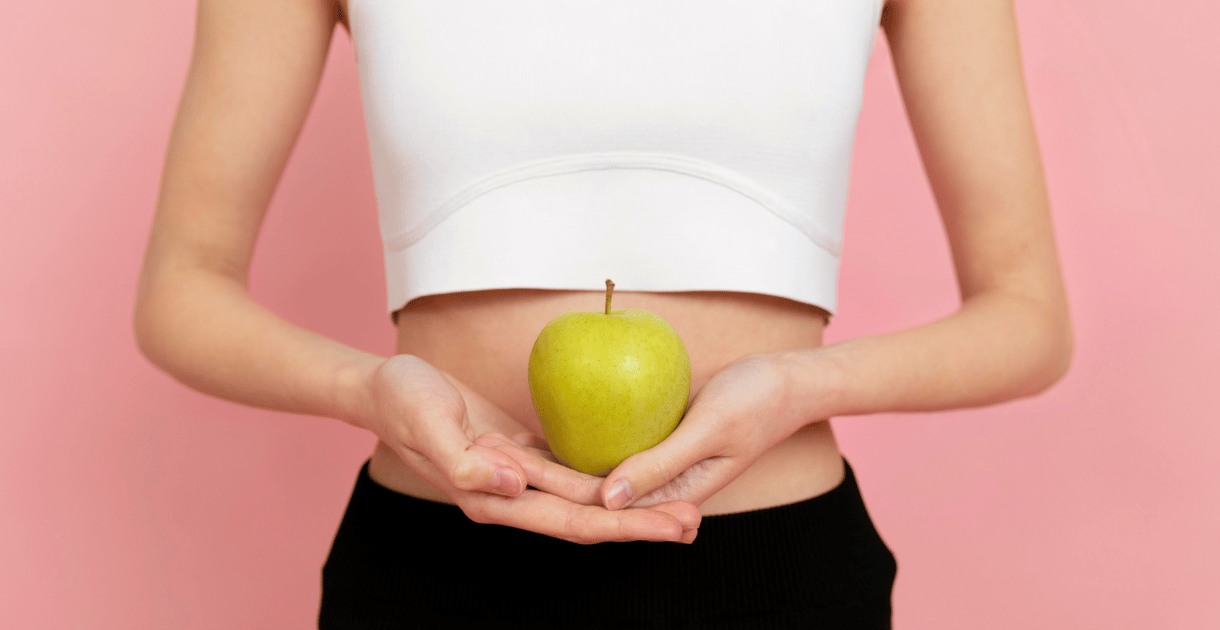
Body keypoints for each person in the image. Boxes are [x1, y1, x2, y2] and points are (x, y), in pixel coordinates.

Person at [134, 0, 1073, 627]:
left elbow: (1027, 317)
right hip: (437, 575)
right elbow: (183, 288)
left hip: (771, 581)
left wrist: (797, 386)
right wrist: (371, 388)